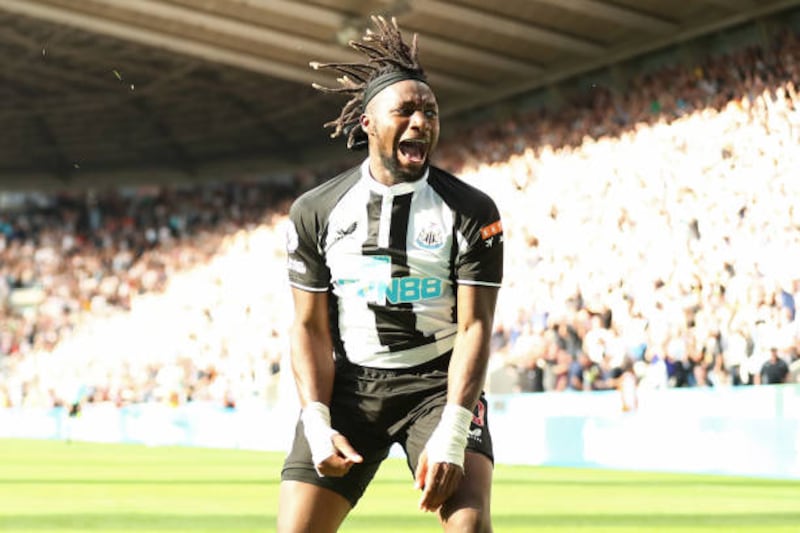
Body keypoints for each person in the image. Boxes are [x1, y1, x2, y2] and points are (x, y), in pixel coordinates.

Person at [277, 16, 503, 533]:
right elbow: (308, 327)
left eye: (430, 111)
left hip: (436, 386)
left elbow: (475, 328)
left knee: (470, 527)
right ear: (368, 124)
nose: (421, 121)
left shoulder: (470, 210)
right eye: (405, 111)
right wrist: (315, 419)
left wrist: (453, 429)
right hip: (351, 388)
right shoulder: (316, 211)